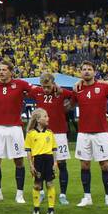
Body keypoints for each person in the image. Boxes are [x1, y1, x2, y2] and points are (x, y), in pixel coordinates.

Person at [0, 61, 32, 204]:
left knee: (18, 161)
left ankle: (19, 194)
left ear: (11, 71)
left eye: (4, 70)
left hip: (15, 128)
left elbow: (35, 92)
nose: (1, 72)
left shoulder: (21, 84)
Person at [73, 62, 108, 208]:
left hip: (101, 133)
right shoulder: (77, 89)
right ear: (80, 72)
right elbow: (68, 105)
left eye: (89, 69)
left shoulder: (104, 87)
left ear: (94, 71)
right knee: (84, 165)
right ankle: (87, 197)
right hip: (83, 134)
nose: (86, 72)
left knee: (104, 165)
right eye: (84, 69)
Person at [28, 72, 74, 206]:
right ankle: (41, 192)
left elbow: (75, 96)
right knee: (40, 164)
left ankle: (63, 194)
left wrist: (66, 104)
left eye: (48, 86)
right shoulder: (37, 92)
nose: (46, 89)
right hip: (40, 134)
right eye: (44, 86)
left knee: (62, 164)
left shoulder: (62, 92)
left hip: (59, 133)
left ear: (54, 83)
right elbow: (23, 90)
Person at [24, 108, 57, 214]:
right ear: (38, 119)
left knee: (49, 183)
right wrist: (31, 165)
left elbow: (54, 149)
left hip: (49, 160)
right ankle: (36, 208)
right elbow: (28, 151)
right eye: (45, 116)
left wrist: (55, 163)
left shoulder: (50, 133)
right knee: (37, 185)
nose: (48, 118)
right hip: (37, 161)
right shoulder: (31, 134)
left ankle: (51, 208)